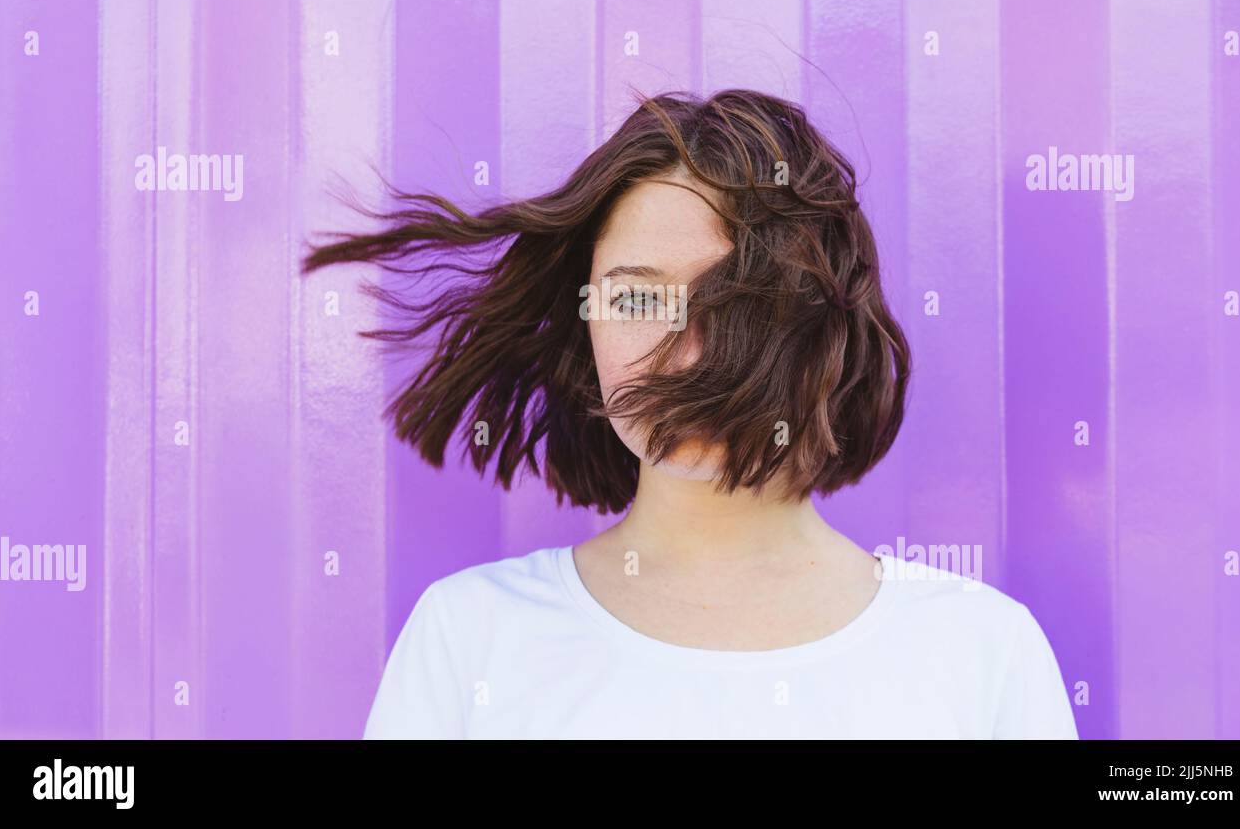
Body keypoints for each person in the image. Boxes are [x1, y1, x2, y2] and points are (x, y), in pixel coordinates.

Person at [302, 88, 1079, 739]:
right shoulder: (468, 640)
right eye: (638, 296)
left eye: (739, 300)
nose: (688, 352)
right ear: (588, 325)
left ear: (826, 327)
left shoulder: (982, 653)